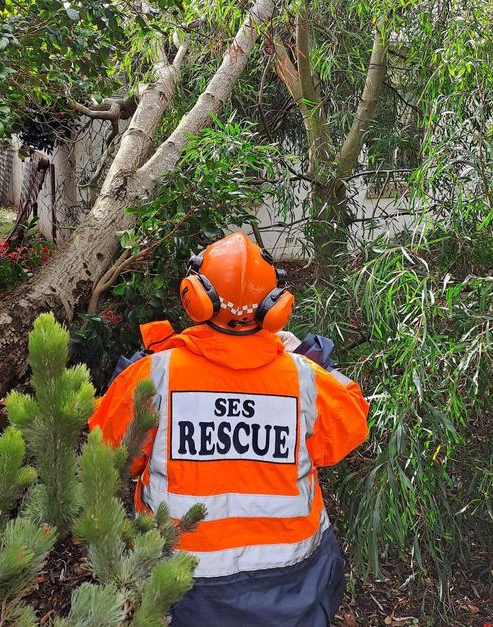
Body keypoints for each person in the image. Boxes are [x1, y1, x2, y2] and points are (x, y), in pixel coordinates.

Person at [88, 231, 369, 626]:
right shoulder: (304, 380)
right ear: (275, 309)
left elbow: (109, 451)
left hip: (175, 589)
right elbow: (351, 423)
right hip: (294, 591)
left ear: (196, 297)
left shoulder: (155, 375)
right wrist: (308, 360)